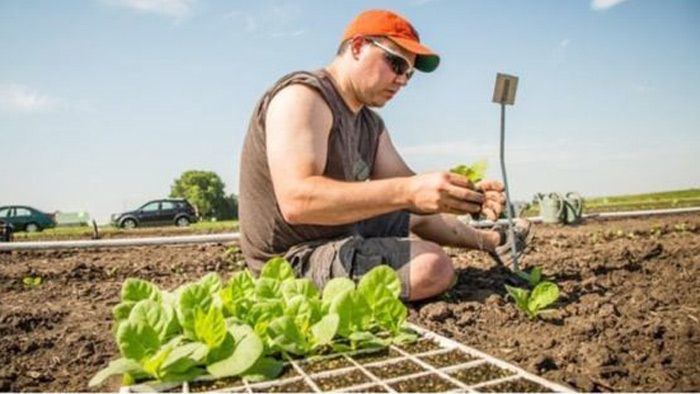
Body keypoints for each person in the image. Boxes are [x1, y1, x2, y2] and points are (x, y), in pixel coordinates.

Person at [239, 9, 531, 301]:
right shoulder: (304, 96)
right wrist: (410, 192)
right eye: (396, 63)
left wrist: (463, 195)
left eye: (409, 73)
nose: (402, 79)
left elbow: (411, 194)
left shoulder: (370, 124)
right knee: (433, 267)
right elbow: (297, 200)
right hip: (290, 261)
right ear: (357, 47)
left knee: (413, 214)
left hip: (339, 233)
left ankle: (495, 241)